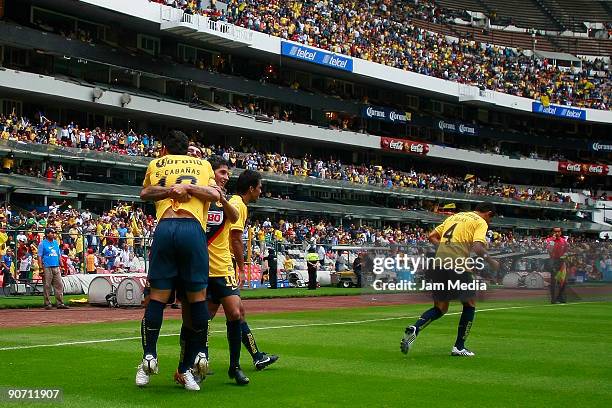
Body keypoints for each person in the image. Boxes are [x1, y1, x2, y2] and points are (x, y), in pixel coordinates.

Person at [135, 130, 220, 391]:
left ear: (164, 149)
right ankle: (194, 361)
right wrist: (190, 187)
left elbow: (144, 193)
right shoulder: (204, 164)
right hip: (192, 230)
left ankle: (150, 356)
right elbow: (215, 194)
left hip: (165, 228)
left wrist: (170, 189)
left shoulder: (156, 163)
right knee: (196, 300)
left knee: (157, 298)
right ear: (188, 149)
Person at [401, 202, 500, 357]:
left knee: (440, 308)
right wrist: (491, 261)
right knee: (470, 303)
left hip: (439, 264)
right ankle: (459, 347)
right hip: (458, 264)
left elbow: (431, 236)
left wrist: (445, 248)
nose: (490, 222)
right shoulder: (480, 221)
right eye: (491, 219)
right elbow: (478, 248)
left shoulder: (455, 217)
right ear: (488, 213)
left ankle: (416, 328)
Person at [37, 228, 69, 309]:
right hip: (47, 266)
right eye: (52, 233)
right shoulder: (42, 244)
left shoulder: (55, 243)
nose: (53, 234)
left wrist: (61, 265)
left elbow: (58, 255)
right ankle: (47, 303)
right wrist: (40, 268)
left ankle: (60, 303)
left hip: (56, 266)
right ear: (47, 234)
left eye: (54, 233)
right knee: (47, 285)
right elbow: (39, 256)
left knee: (59, 285)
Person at [546, 227, 569, 304]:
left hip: (562, 261)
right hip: (553, 261)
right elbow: (549, 250)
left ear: (561, 232)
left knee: (563, 281)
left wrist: (565, 255)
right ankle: (553, 298)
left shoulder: (563, 241)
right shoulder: (549, 240)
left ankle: (561, 297)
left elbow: (566, 251)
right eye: (555, 231)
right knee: (554, 281)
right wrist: (553, 240)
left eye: (558, 231)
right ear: (553, 232)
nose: (557, 233)